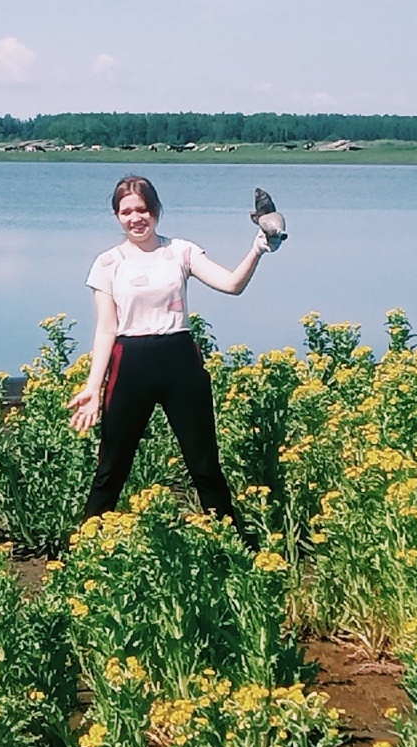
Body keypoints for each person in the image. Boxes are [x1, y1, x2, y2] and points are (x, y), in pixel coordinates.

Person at [67, 175, 271, 530]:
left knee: (204, 465)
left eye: (142, 209)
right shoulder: (107, 263)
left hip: (180, 360)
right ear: (117, 216)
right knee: (111, 467)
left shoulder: (180, 251)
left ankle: (233, 550)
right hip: (130, 362)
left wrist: (257, 248)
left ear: (156, 211)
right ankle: (88, 548)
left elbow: (232, 285)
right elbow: (106, 329)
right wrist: (92, 390)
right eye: (126, 211)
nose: (136, 218)